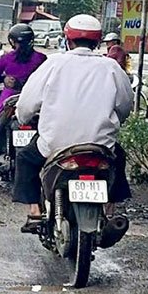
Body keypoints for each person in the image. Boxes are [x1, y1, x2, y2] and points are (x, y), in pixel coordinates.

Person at [13, 13, 134, 231]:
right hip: (100, 146)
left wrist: (24, 118)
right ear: (97, 42)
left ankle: (34, 211)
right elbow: (125, 105)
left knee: (25, 159)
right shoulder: (112, 68)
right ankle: (109, 208)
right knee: (119, 160)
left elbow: (27, 103)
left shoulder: (53, 64)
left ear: (68, 40)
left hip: (55, 144)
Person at [0, 23, 46, 164]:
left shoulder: (6, 58)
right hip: (36, 98)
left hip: (10, 98)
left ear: (12, 41)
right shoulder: (41, 58)